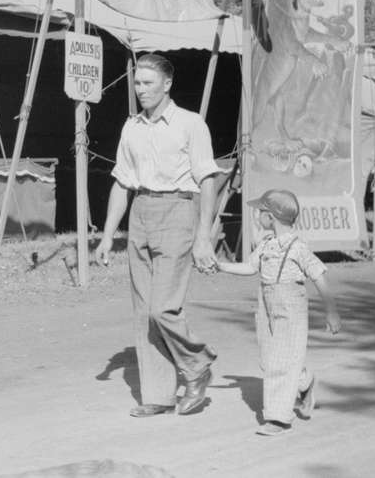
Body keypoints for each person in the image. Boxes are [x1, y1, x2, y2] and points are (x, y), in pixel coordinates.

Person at [95, 53, 222, 418]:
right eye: (137, 83)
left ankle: (196, 364)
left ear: (167, 84)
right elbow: (122, 182)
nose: (141, 90)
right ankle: (159, 394)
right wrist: (107, 237)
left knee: (162, 308)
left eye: (148, 83)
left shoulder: (190, 124)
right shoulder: (131, 127)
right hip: (141, 213)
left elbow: (208, 180)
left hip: (179, 210)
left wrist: (203, 236)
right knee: (143, 312)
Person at [215, 188, 341, 437]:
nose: (257, 216)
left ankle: (278, 417)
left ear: (270, 216)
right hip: (267, 303)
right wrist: (220, 266)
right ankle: (304, 382)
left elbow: (320, 276)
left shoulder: (297, 247)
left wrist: (332, 312)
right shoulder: (266, 244)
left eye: (260, 212)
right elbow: (250, 267)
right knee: (270, 357)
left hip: (291, 305)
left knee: (279, 362)